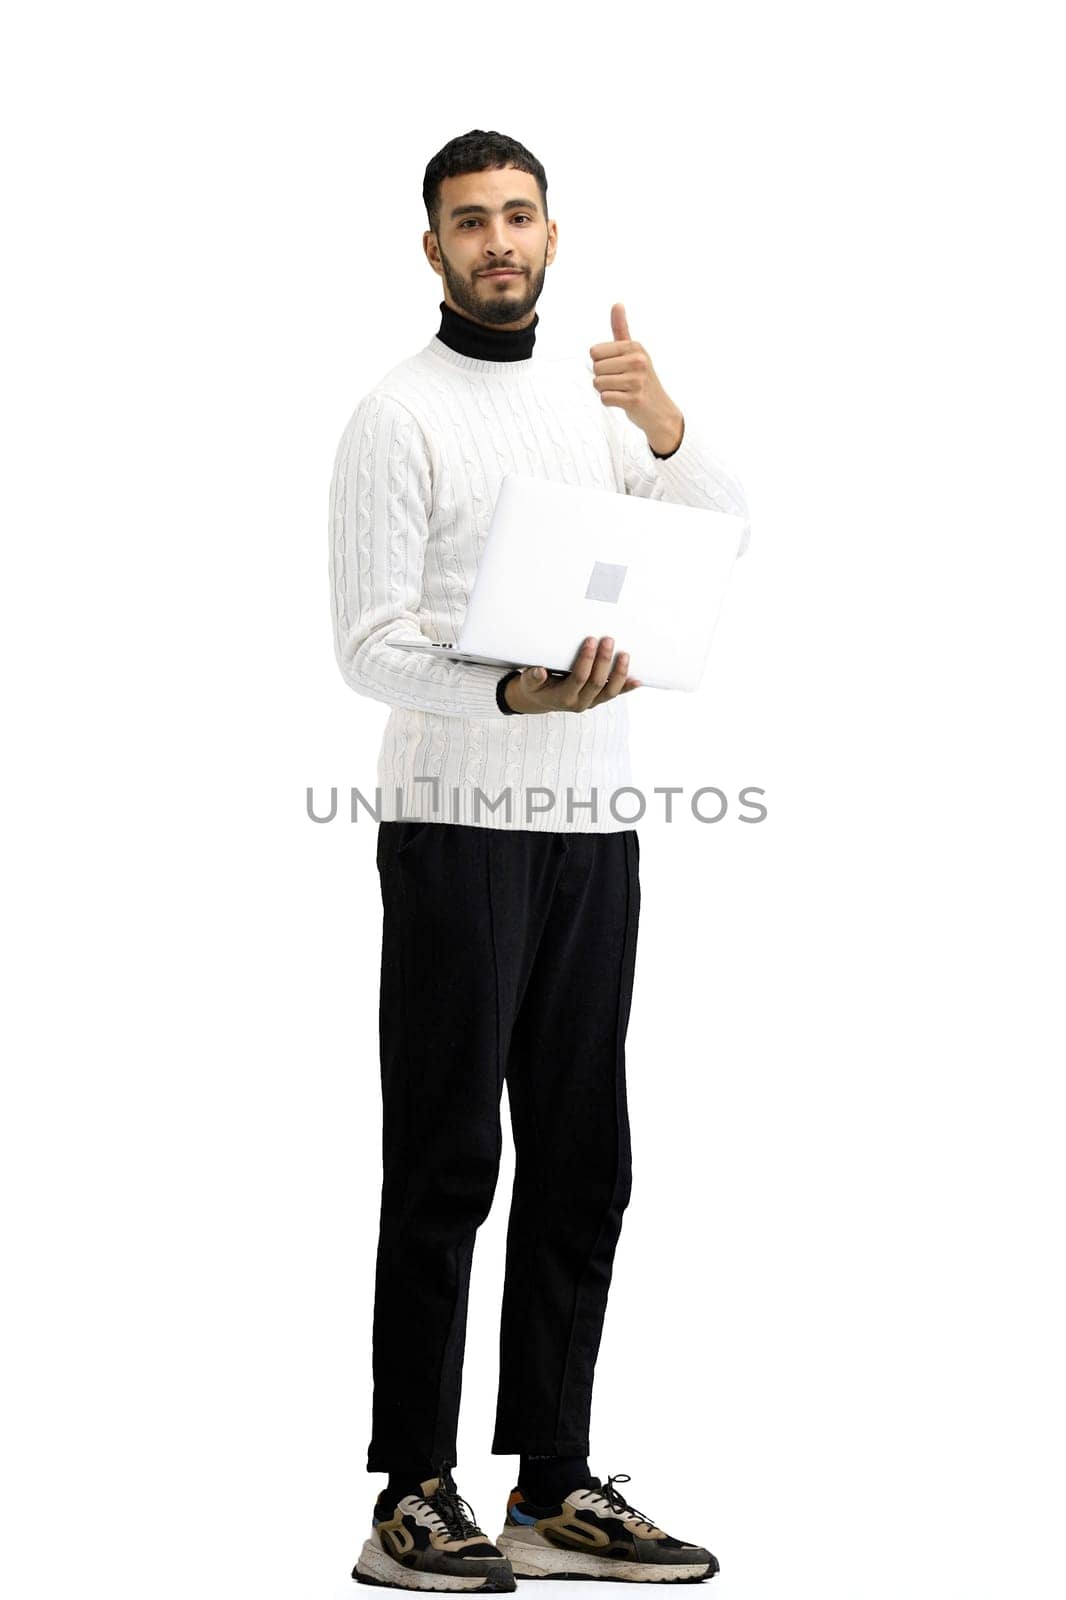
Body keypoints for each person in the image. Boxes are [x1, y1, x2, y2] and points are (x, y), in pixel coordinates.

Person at [328, 129, 750, 1592]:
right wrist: (508, 691)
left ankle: (553, 1483)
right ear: (432, 249)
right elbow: (370, 644)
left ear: (553, 238)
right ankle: (412, 1490)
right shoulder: (398, 415)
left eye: (518, 218)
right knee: (446, 1159)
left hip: (591, 829)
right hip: (453, 826)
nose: (496, 242)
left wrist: (673, 427)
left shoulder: (601, 412)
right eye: (468, 222)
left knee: (584, 1164)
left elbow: (716, 543)